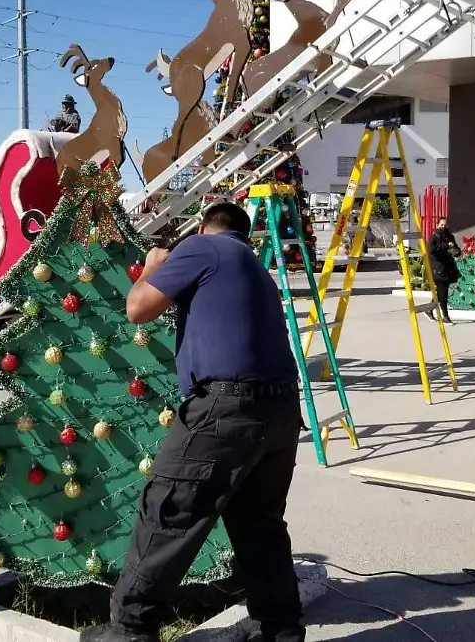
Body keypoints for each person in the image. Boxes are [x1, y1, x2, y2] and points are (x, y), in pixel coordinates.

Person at [82, 202, 304, 642]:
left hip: (226, 409)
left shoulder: (203, 246)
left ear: (205, 227)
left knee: (168, 511)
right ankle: (281, 632)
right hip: (279, 408)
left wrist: (151, 266)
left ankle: (128, 631)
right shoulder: (253, 266)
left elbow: (137, 308)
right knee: (260, 524)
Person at [424, 217, 461, 324]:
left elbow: (455, 249)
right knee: (443, 293)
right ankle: (445, 316)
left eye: (445, 225)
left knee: (441, 293)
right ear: (437, 225)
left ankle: (429, 310)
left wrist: (457, 251)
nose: (443, 227)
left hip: (448, 268)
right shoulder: (434, 237)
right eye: (441, 225)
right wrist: (445, 246)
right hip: (438, 269)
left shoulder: (450, 237)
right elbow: (432, 250)